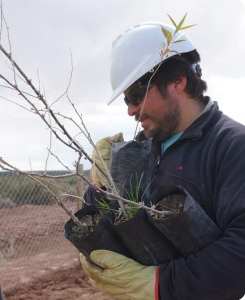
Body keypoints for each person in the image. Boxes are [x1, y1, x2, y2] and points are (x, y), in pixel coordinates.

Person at [79, 21, 245, 300]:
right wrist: (98, 191)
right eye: (126, 100)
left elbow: (240, 253)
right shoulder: (139, 149)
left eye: (136, 95)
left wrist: (158, 285)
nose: (131, 109)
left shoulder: (231, 146)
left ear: (177, 82)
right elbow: (117, 220)